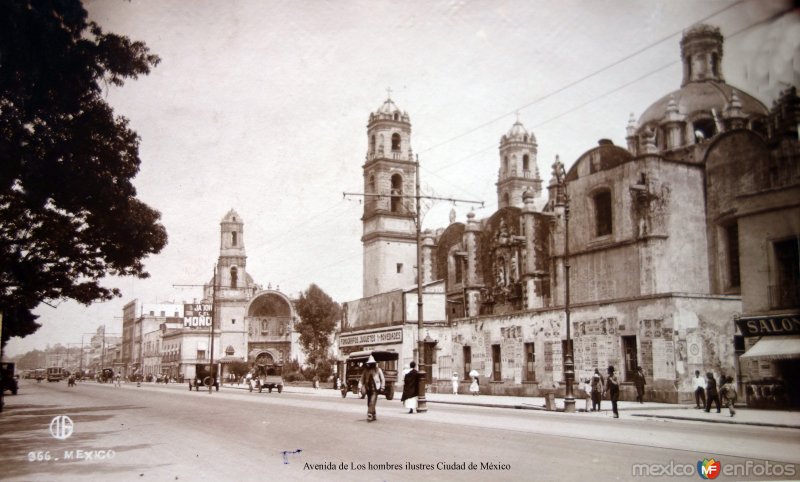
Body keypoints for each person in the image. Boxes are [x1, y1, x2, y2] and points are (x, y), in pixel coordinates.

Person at [358, 355, 385, 422]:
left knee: (372, 401)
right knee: (369, 402)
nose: (371, 365)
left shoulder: (378, 370)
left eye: (372, 363)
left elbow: (382, 379)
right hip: (368, 389)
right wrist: (360, 386)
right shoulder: (365, 371)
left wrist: (382, 387)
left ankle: (370, 414)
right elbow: (361, 379)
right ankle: (374, 414)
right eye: (370, 364)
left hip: (375, 389)